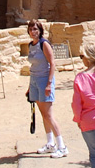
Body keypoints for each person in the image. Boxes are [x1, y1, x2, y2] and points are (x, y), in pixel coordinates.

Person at [26, 19, 66, 157]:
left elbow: (52, 63)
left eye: (35, 29)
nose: (33, 32)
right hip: (35, 81)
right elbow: (33, 66)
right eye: (31, 29)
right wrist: (29, 87)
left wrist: (49, 83)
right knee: (43, 115)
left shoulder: (44, 44)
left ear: (40, 30)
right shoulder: (31, 45)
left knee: (49, 114)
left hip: (44, 81)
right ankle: (50, 143)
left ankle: (62, 146)